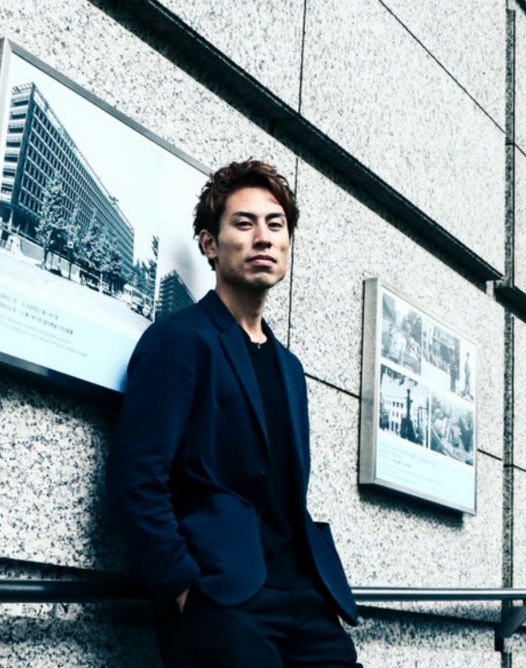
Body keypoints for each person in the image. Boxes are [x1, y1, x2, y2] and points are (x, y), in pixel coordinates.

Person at [107, 160, 361, 667]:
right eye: (244, 224)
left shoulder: (290, 368)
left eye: (275, 225)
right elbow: (136, 477)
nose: (263, 238)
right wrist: (182, 587)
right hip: (224, 600)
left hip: (306, 598)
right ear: (209, 244)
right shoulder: (180, 340)